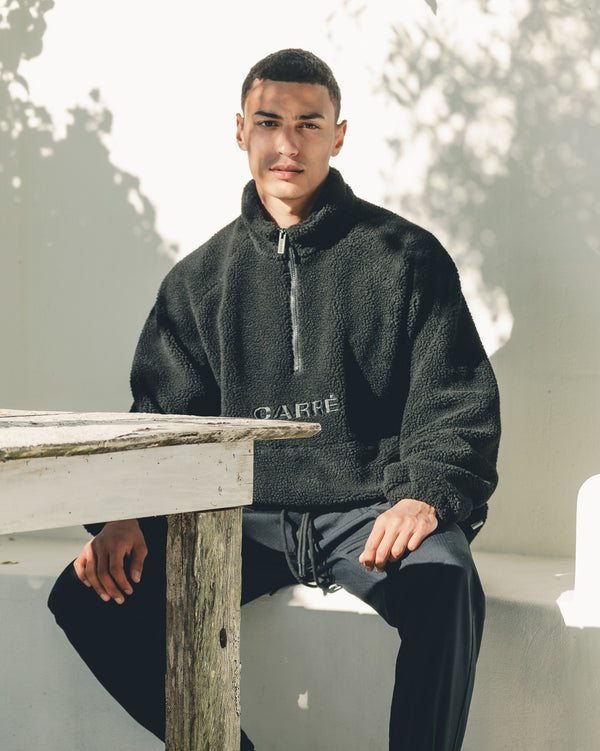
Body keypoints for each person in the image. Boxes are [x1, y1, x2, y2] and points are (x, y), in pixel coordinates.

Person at [48, 48, 500, 751]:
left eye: (308, 124)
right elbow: (162, 412)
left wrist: (426, 494)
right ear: (241, 132)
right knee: (85, 596)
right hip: (239, 518)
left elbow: (455, 399)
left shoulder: (405, 257)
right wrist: (125, 509)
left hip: (366, 512)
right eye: (268, 122)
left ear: (338, 136)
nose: (288, 144)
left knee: (447, 581)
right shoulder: (199, 279)